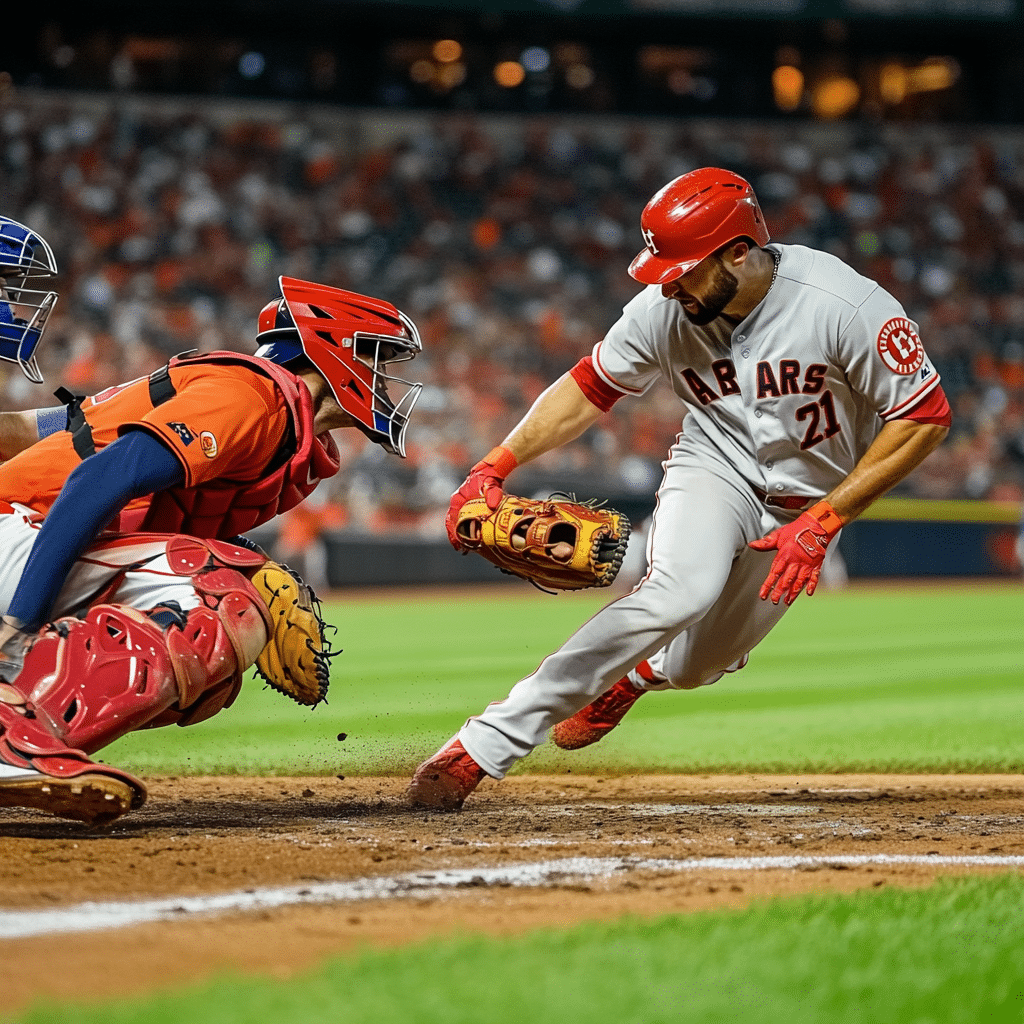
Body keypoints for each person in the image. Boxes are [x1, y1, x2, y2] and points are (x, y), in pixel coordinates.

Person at [408, 167, 951, 810]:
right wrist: (494, 464)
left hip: (811, 500)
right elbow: (587, 390)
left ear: (739, 254)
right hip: (713, 466)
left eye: (683, 269)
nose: (669, 284)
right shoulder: (663, 309)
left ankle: (640, 676)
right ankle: (481, 747)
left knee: (695, 666)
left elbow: (925, 417)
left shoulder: (844, 305)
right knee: (677, 591)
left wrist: (828, 519)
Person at [0, 271, 423, 825]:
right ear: (331, 351)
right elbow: (93, 482)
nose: (386, 381)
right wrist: (18, 626)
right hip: (22, 529)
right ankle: (12, 734)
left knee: (218, 653)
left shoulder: (284, 426)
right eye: (376, 359)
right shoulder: (250, 396)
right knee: (220, 592)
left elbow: (53, 429)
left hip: (34, 533)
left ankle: (27, 732)